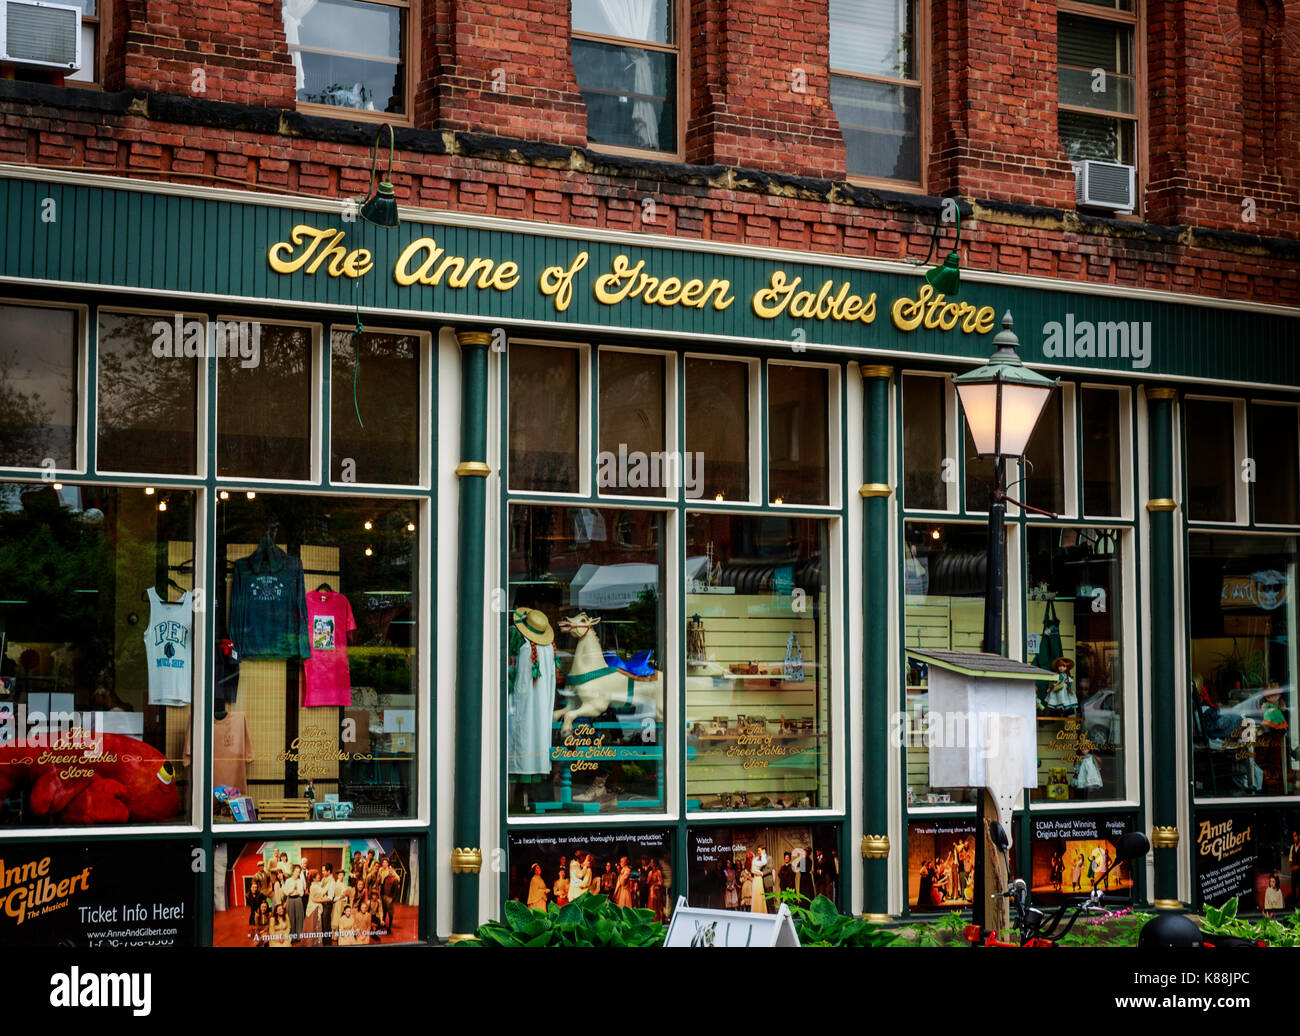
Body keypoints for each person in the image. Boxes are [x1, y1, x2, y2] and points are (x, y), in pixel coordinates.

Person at [284, 864, 307, 938]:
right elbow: (287, 893)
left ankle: (299, 936)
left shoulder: (300, 881)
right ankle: (292, 936)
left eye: (299, 872)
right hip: (290, 900)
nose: (297, 873)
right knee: (291, 918)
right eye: (296, 871)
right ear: (293, 872)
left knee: (299, 918)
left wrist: (297, 890)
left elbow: (302, 894)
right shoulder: (288, 881)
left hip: (298, 900)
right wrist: (293, 889)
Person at [304, 870, 326, 943]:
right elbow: (322, 893)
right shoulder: (314, 887)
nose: (319, 876)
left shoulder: (317, 884)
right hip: (313, 908)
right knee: (313, 927)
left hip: (315, 906)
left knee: (315, 926)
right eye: (317, 875)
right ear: (313, 878)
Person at [246, 878, 267, 945]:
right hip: (253, 913)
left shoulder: (260, 895)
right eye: (253, 887)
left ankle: (261, 942)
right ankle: (255, 941)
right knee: (252, 929)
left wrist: (259, 912)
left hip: (260, 913)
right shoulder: (248, 895)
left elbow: (264, 904)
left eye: (255, 887)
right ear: (250, 887)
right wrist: (254, 913)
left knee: (259, 928)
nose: (254, 889)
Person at [750, 847, 768, 914]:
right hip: (756, 879)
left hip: (757, 879)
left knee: (758, 895)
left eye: (759, 850)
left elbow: (763, 862)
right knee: (757, 895)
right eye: (758, 850)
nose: (758, 852)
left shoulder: (758, 859)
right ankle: (757, 911)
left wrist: (762, 854)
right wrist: (761, 854)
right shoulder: (755, 860)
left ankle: (759, 910)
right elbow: (764, 862)